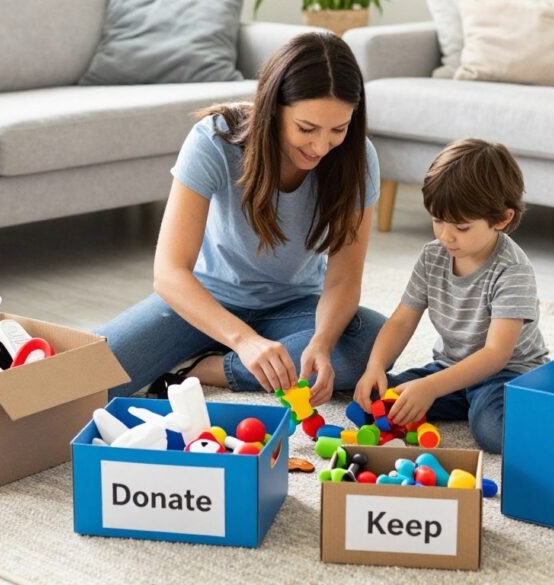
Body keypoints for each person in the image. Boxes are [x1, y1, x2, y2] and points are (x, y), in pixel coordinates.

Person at [98, 32, 385, 406]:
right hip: (201, 304)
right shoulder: (215, 139)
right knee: (84, 379)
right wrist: (244, 340)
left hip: (292, 308)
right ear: (273, 107)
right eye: (306, 128)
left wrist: (321, 342)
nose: (320, 147)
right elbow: (169, 273)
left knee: (374, 341)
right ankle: (227, 352)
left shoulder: (357, 158)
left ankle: (205, 369)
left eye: (338, 130)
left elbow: (345, 278)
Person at [353, 138, 548, 453]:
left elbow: (496, 353)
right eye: (438, 220)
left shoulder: (512, 271)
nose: (445, 235)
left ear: (502, 219)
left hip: (505, 374)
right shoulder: (433, 255)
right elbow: (403, 320)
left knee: (493, 431)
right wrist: (376, 366)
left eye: (460, 226)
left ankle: (524, 405)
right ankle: (461, 402)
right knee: (374, 404)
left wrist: (429, 388)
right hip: (449, 367)